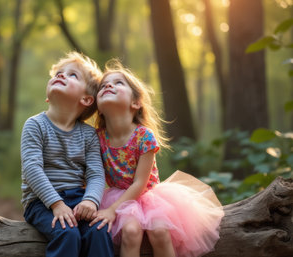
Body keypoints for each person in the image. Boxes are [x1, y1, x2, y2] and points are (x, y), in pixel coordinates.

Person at [90, 59, 224, 257]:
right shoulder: (97, 138)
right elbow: (93, 174)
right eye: (103, 85)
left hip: (147, 195)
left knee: (160, 232)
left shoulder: (144, 136)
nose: (109, 85)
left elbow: (140, 184)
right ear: (98, 107)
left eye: (119, 83)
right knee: (131, 231)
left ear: (136, 103)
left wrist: (113, 211)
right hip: (116, 195)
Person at [21, 52, 114, 257]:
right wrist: (56, 204)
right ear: (47, 95)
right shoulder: (35, 125)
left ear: (87, 99)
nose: (61, 75)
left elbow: (96, 175)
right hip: (41, 202)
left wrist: (90, 201)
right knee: (67, 233)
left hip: (79, 200)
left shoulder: (88, 134)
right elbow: (31, 168)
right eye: (59, 73)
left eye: (72, 75)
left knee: (98, 232)